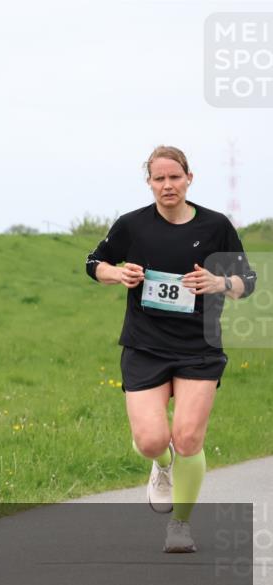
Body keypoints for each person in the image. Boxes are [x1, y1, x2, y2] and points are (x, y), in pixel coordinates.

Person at [85, 146, 256, 553]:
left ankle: (180, 524)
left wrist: (220, 284)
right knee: (150, 440)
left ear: (189, 179)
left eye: (174, 177)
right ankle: (160, 467)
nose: (167, 185)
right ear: (149, 183)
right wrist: (116, 273)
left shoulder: (216, 225)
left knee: (188, 439)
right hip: (145, 346)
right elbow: (94, 263)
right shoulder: (131, 225)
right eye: (159, 179)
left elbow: (247, 281)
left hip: (199, 347)